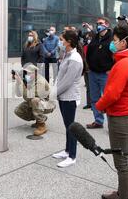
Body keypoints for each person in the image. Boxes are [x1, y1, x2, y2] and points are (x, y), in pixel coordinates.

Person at [95, 25, 128, 199]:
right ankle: (120, 193)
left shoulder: (125, 64)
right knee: (120, 160)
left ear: (124, 42)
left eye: (114, 40)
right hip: (122, 115)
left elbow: (113, 94)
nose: (112, 44)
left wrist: (98, 106)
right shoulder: (127, 60)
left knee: (121, 163)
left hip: (121, 118)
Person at [51, 30, 84, 168]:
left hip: (69, 97)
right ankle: (67, 150)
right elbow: (61, 77)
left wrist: (53, 93)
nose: (60, 42)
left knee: (71, 127)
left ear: (69, 41)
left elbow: (68, 82)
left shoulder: (75, 58)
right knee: (67, 126)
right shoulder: (67, 55)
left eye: (62, 40)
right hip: (63, 96)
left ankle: (72, 156)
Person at [86, 17, 114, 129]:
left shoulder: (112, 38)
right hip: (93, 73)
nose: (98, 25)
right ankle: (98, 121)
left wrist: (111, 69)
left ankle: (112, 124)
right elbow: (89, 52)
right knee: (94, 98)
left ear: (107, 24)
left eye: (101, 23)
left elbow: (116, 55)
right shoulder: (95, 38)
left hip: (105, 74)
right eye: (97, 23)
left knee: (108, 99)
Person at [14, 64, 55, 136]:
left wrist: (21, 83)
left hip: (48, 104)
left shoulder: (40, 81)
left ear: (35, 73)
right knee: (18, 111)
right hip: (38, 102)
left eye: (29, 73)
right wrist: (18, 83)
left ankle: (42, 125)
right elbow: (18, 94)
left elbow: (28, 97)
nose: (27, 75)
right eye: (26, 73)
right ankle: (38, 119)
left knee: (34, 101)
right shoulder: (29, 79)